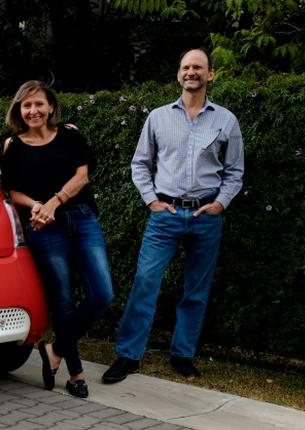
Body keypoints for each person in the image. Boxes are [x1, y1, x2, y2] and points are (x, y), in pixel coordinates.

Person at [102, 48, 244, 383]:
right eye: (185, 67)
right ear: (178, 74)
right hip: (164, 216)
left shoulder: (226, 120)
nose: (191, 72)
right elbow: (140, 164)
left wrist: (221, 203)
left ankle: (182, 355)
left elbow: (235, 171)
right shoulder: (158, 117)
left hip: (205, 216)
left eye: (198, 67)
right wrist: (151, 200)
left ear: (210, 75)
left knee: (196, 289)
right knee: (145, 283)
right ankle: (128, 355)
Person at [1, 80, 113, 398]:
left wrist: (53, 202)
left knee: (102, 294)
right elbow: (13, 192)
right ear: (19, 110)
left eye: (39, 104)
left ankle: (54, 351)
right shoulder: (13, 145)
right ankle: (76, 374)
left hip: (82, 219)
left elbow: (82, 176)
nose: (33, 110)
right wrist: (37, 206)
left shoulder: (70, 134)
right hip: (43, 228)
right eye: (27, 105)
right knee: (62, 301)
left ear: (51, 106)